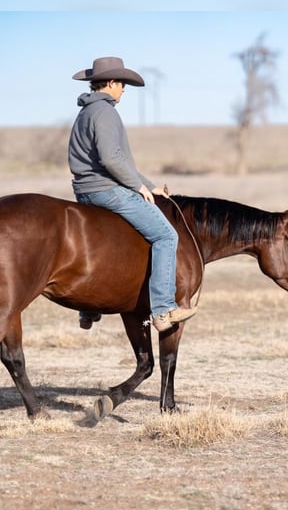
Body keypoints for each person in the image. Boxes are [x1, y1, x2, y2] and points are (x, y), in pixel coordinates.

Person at [68, 56, 197, 332]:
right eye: (123, 84)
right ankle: (163, 310)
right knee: (166, 235)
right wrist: (137, 187)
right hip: (106, 191)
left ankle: (87, 308)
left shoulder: (87, 111)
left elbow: (117, 162)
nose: (124, 90)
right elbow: (112, 159)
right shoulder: (105, 113)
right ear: (111, 83)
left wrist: (149, 185)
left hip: (85, 191)